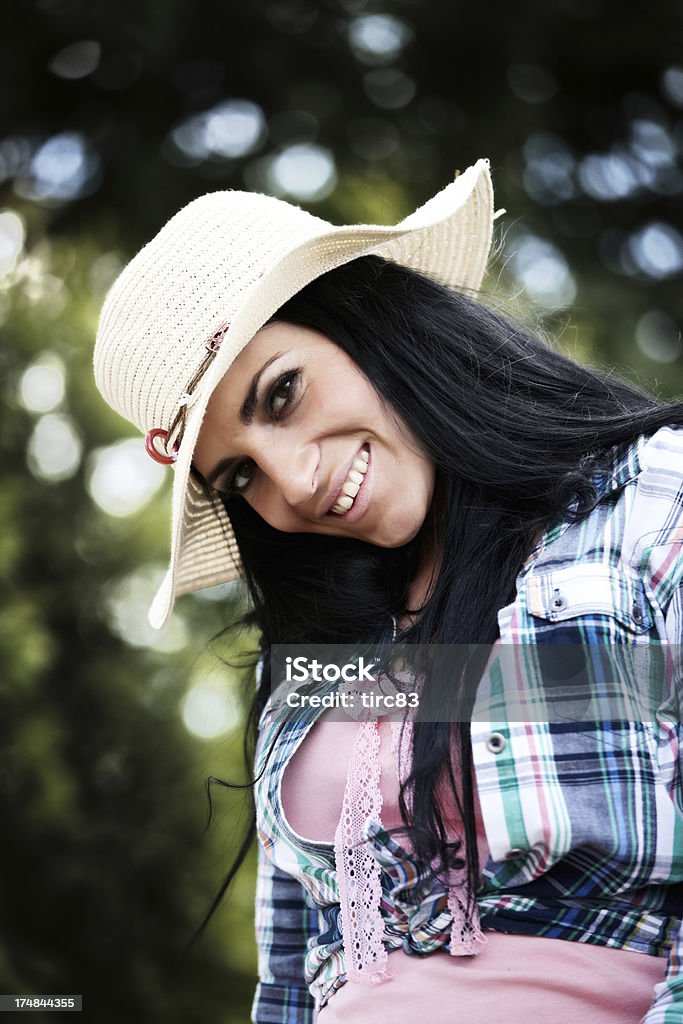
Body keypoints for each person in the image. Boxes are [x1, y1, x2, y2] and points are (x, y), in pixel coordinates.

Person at [93, 159, 683, 1023]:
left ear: (369, 319)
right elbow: (288, 987)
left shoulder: (653, 506)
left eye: (281, 393)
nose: (291, 485)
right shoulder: (332, 660)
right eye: (238, 477)